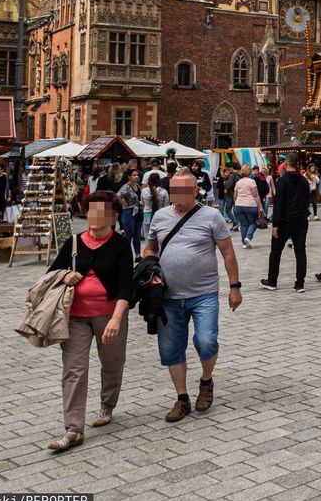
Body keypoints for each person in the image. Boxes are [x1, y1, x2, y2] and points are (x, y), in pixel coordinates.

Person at [144, 173, 242, 423]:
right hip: (168, 295)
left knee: (207, 341)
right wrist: (150, 268)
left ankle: (206, 381)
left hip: (204, 294)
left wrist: (235, 287)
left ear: (196, 190)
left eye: (184, 190)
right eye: (175, 189)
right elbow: (151, 247)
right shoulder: (160, 216)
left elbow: (228, 253)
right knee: (171, 348)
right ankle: (182, 398)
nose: (179, 195)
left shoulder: (212, 216)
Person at [45, 190, 133, 451]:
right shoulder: (73, 242)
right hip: (76, 318)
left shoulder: (120, 245)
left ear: (113, 216)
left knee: (112, 363)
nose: (95, 216)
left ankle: (107, 405)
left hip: (109, 314)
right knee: (74, 369)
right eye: (91, 210)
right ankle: (73, 428)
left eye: (102, 211)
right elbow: (52, 274)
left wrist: (116, 320)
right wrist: (65, 276)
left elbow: (126, 286)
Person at [263, 152, 311, 292]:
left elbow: (279, 203)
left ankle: (272, 280)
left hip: (285, 220)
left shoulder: (283, 180)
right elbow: (307, 200)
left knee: (276, 251)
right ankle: (300, 283)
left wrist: (275, 224)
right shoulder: (304, 181)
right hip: (301, 220)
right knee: (300, 251)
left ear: (286, 163)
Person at [232, 165, 261, 249]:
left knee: (244, 224)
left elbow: (234, 196)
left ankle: (244, 243)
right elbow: (255, 195)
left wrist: (237, 203)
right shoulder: (252, 182)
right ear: (250, 172)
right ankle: (248, 237)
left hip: (239, 205)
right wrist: (260, 206)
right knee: (253, 222)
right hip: (250, 205)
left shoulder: (238, 182)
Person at [116, 170, 142, 255]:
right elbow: (117, 196)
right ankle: (126, 254)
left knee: (137, 235)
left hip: (137, 212)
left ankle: (138, 254)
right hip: (128, 212)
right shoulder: (125, 187)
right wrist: (123, 202)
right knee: (128, 235)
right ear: (129, 177)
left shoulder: (137, 186)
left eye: (137, 175)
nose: (136, 176)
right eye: (134, 175)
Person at [141, 173, 169, 243]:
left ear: (149, 181)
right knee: (159, 233)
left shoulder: (144, 191)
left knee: (147, 232)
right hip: (160, 215)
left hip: (147, 214)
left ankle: (148, 250)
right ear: (159, 181)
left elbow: (143, 203)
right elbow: (166, 206)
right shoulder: (164, 192)